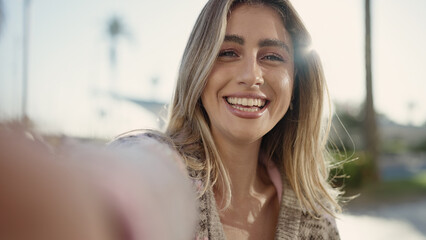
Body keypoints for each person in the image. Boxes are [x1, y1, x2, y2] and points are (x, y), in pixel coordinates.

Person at [113, 0, 342, 239]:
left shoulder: (317, 218)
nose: (251, 76)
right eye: (228, 53)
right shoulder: (158, 173)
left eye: (272, 57)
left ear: (296, 81)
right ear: (197, 69)